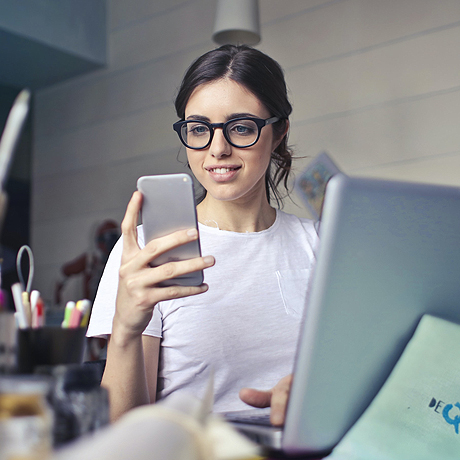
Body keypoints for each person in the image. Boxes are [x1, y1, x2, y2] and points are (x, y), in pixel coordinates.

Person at [87, 44, 318, 424]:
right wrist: (126, 329)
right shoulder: (148, 251)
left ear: (278, 132)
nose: (218, 149)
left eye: (241, 127)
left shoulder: (321, 245)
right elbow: (123, 434)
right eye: (199, 129)